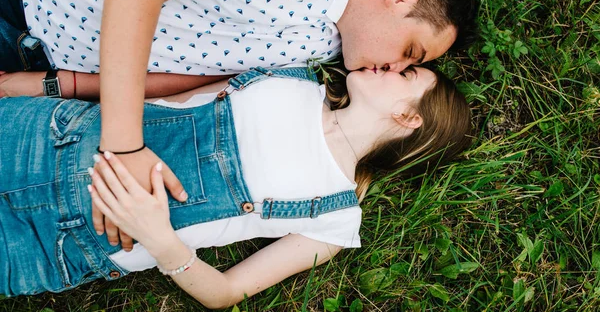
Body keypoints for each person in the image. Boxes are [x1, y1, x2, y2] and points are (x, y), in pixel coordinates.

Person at [0, 0, 478, 249]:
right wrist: (124, 148)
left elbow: (181, 77)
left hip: (26, 47)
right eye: (410, 52)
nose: (394, 68)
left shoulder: (319, 50)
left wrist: (51, 83)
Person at [0, 62, 471, 308]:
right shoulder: (291, 80)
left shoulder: (336, 218)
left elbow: (224, 293)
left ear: (408, 118)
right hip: (49, 134)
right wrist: (46, 88)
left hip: (56, 242)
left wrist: (161, 239)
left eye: (405, 75)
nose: (388, 66)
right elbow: (161, 99)